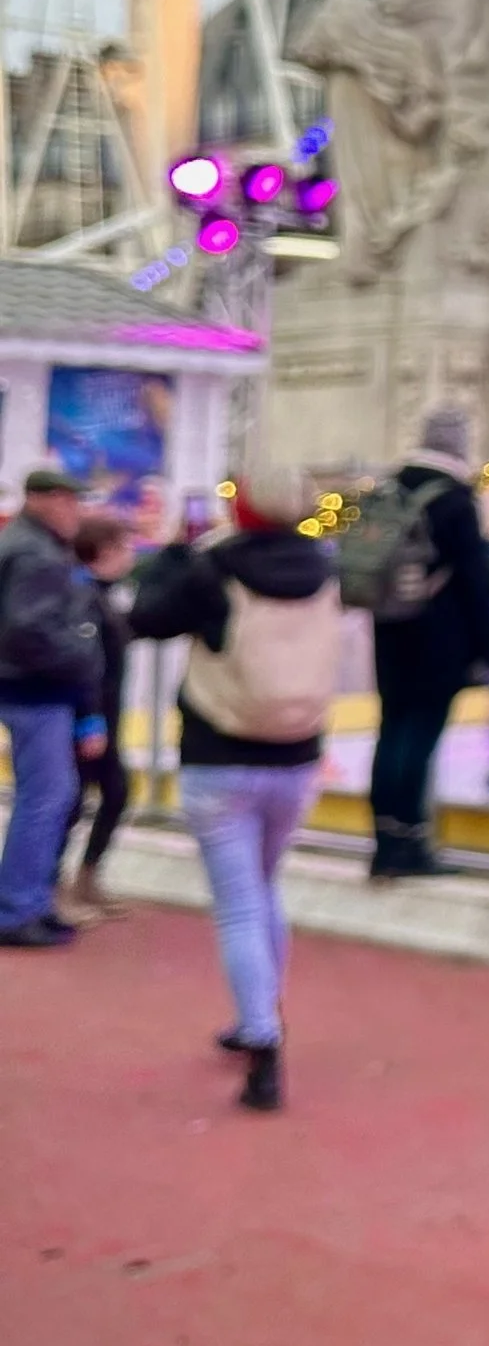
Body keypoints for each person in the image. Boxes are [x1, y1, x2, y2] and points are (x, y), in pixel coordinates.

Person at [129, 465, 340, 1112]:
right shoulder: (327, 569)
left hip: (219, 754)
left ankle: (261, 1035)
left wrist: (171, 551)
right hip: (297, 754)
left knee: (239, 904)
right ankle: (262, 1010)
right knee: (266, 886)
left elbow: (146, 618)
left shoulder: (212, 566)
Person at [366, 405, 489, 880]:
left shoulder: (390, 488)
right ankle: (410, 842)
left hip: (389, 630)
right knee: (419, 737)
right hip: (438, 638)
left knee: (392, 730)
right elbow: (475, 581)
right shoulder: (455, 500)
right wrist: (486, 649)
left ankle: (383, 843)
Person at [0, 467, 103, 949]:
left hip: (29, 686)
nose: (75, 511)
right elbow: (27, 629)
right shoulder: (35, 553)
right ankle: (19, 907)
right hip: (35, 689)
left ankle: (29, 901)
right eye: (69, 500)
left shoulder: (26, 544)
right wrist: (82, 654)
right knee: (45, 799)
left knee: (46, 797)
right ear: (46, 499)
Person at [54, 513, 136, 924]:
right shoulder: (84, 596)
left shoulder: (105, 594)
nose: (132, 556)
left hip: (106, 713)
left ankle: (85, 878)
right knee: (72, 801)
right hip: (91, 714)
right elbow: (86, 664)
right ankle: (54, 886)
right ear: (104, 551)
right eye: (125, 547)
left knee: (115, 793)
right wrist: (89, 719)